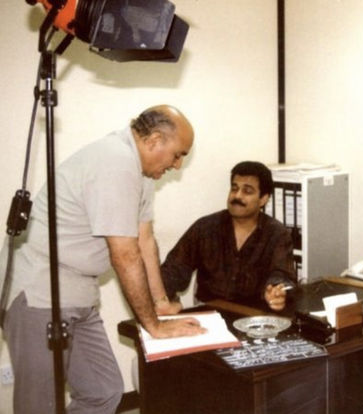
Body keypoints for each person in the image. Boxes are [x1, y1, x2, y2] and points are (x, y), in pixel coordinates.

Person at [2, 105, 206, 414]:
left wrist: (160, 302)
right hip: (39, 290)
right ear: (154, 140)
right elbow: (125, 255)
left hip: (79, 291)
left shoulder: (140, 172)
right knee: (40, 406)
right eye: (178, 155)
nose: (177, 165)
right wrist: (153, 325)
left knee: (103, 391)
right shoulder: (115, 162)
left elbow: (144, 240)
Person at [160, 161, 296, 312]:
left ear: (263, 199)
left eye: (247, 191)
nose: (237, 196)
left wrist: (276, 291)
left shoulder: (277, 233)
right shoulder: (205, 228)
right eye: (234, 188)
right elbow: (173, 270)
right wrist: (161, 299)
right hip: (210, 313)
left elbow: (282, 274)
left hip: (254, 314)